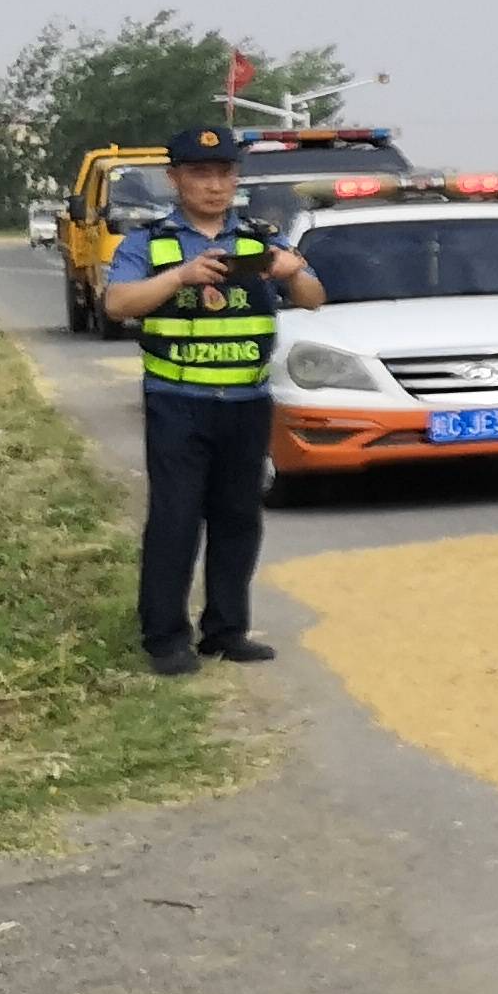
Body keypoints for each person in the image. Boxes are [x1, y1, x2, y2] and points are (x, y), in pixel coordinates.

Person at [100, 120, 325, 678]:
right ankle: (165, 638)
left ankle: (226, 632)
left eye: (224, 173)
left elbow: (315, 297)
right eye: (201, 173)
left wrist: (292, 273)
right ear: (175, 179)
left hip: (246, 404)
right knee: (175, 520)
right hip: (178, 402)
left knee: (237, 519)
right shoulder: (147, 244)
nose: (215, 185)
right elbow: (118, 305)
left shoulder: (259, 239)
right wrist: (179, 276)